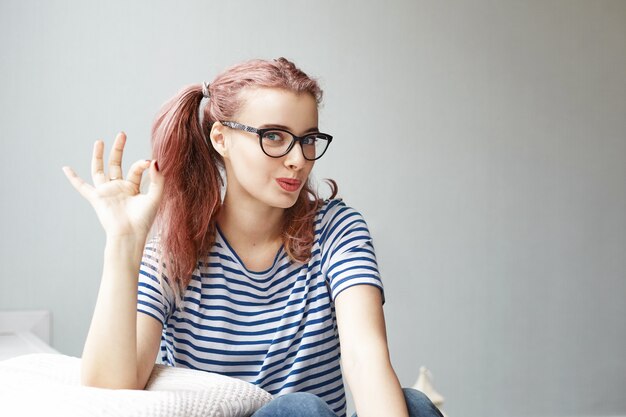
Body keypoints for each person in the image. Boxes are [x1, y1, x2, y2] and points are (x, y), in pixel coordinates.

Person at [62, 57, 443, 417]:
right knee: (299, 410)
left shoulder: (336, 230)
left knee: (413, 405)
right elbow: (109, 385)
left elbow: (365, 358)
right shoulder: (173, 246)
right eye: (274, 137)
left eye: (307, 139)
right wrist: (124, 242)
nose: (298, 159)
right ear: (221, 139)